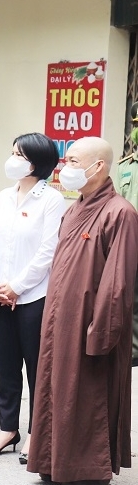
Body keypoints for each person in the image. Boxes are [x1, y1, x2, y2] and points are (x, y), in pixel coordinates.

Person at [27, 136, 138, 485]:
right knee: (55, 389)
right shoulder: (75, 208)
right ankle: (53, 463)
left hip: (91, 321)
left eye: (73, 162)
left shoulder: (120, 212)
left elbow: (118, 281)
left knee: (88, 393)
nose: (65, 168)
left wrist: (102, 330)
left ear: (99, 167)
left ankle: (88, 471)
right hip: (60, 317)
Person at [0, 133, 64, 461]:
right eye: (12, 152)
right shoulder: (4, 196)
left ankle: (36, 434)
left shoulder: (51, 199)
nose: (12, 159)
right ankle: (7, 428)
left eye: (20, 154)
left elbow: (47, 252)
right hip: (0, 295)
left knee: (36, 369)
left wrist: (17, 287)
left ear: (37, 162)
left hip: (33, 297)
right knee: (7, 365)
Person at [111, 102, 138, 368]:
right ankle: (132, 350)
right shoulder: (125, 166)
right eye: (136, 126)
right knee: (129, 297)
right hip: (131, 243)